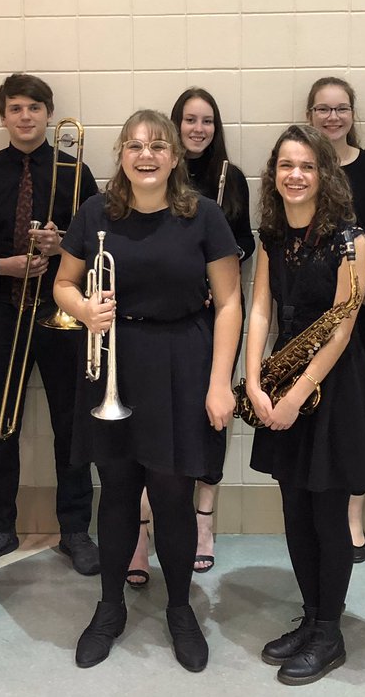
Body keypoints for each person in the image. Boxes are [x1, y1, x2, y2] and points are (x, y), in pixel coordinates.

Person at [54, 109, 241, 673]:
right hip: (114, 361)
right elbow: (63, 283)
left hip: (182, 360)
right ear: (121, 155)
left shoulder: (203, 216)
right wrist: (85, 308)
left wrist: (218, 383)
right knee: (115, 493)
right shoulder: (96, 214)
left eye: (158, 145)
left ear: (174, 156)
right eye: (134, 145)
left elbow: (230, 302)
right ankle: (109, 607)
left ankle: (179, 609)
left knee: (172, 496)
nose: (146, 155)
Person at [244, 125, 365, 686]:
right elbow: (261, 309)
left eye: (306, 165)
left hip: (332, 386)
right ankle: (310, 618)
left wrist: (299, 391)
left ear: (323, 173)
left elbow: (343, 325)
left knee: (328, 515)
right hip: (282, 378)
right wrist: (254, 379)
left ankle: (330, 632)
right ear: (274, 173)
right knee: (294, 510)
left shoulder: (350, 238)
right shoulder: (272, 236)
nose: (296, 175)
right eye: (286, 165)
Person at [0, 74, 100, 576]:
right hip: (0, 313)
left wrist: (61, 247)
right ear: (3, 116)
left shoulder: (75, 169)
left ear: (48, 114)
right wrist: (8, 265)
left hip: (62, 313)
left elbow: (100, 244)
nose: (25, 117)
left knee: (72, 425)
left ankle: (76, 529)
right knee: (0, 424)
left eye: (34, 108)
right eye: (15, 108)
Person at [118, 88, 255, 583]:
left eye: (207, 121)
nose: (198, 129)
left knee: (198, 434)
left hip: (199, 323)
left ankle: (203, 521)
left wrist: (203, 272)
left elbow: (240, 256)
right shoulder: (113, 204)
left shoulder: (225, 184)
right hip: (141, 338)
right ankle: (139, 533)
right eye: (188, 121)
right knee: (139, 449)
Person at [305, 77, 365, 564]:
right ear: (310, 114)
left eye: (340, 109)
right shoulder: (301, 165)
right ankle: (320, 508)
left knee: (354, 411)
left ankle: (354, 518)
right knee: (316, 406)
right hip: (309, 309)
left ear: (353, 114)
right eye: (322, 109)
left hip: (363, 309)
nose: (331, 117)